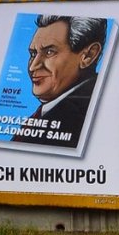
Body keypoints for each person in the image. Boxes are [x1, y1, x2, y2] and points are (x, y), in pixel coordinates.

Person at [11, 13, 108, 148]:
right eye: (33, 54)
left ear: (88, 55)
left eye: (49, 52)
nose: (33, 66)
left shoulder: (85, 116)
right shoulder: (49, 113)